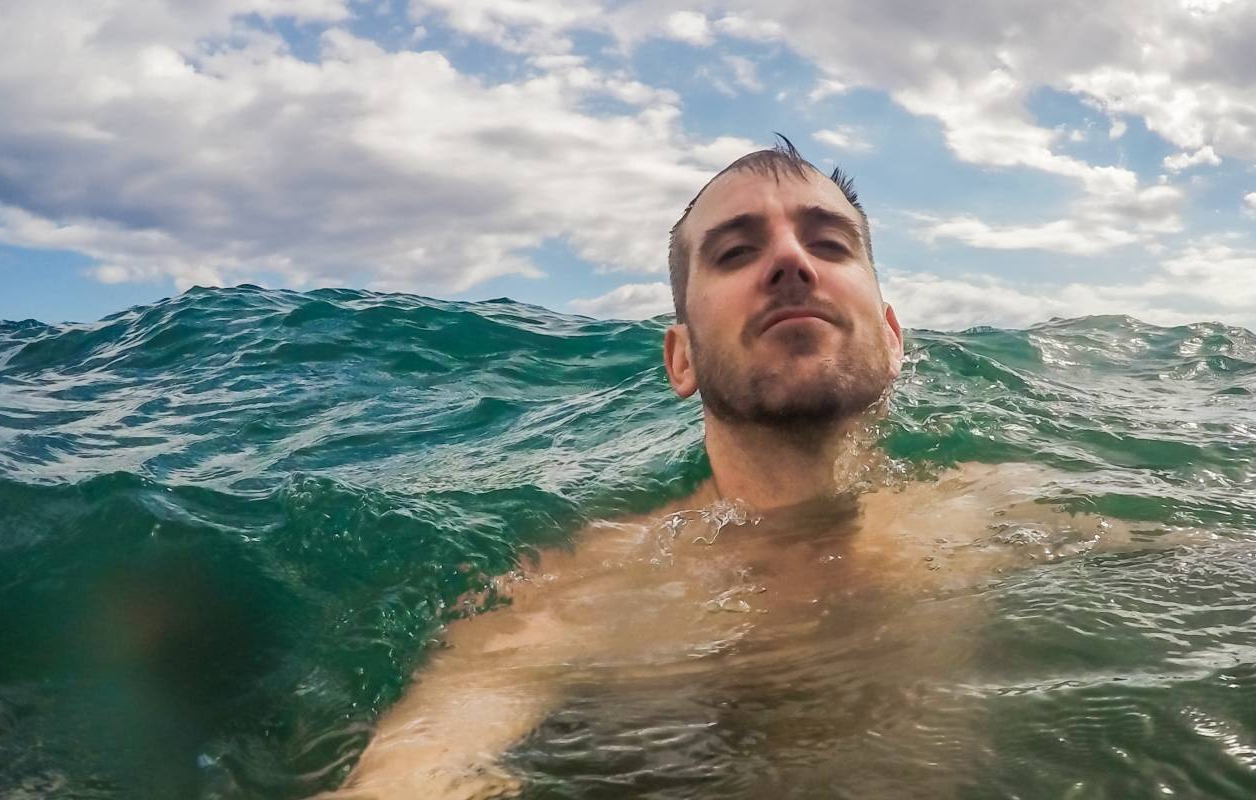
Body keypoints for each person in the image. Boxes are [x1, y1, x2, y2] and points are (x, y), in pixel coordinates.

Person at [330, 137, 1115, 798]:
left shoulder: (992, 506)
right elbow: (422, 764)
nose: (790, 263)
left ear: (893, 334)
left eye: (829, 243)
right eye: (738, 251)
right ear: (681, 359)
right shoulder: (590, 593)